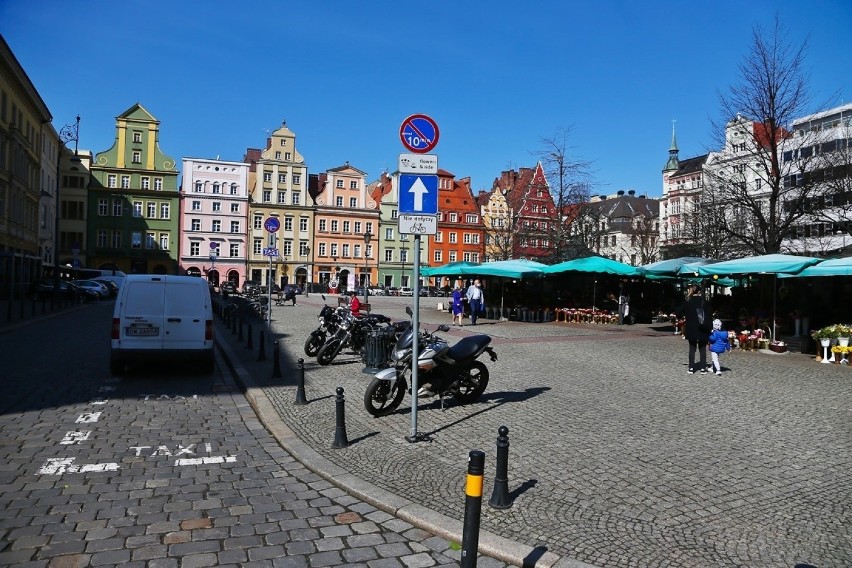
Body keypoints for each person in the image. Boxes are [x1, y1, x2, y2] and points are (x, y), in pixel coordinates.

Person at [675, 284, 711, 374]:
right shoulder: (704, 301)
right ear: (699, 291)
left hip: (691, 328)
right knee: (702, 348)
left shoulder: (688, 301)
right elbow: (709, 315)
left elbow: (678, 312)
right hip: (702, 327)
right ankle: (703, 368)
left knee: (692, 348)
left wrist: (683, 316)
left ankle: (691, 368)